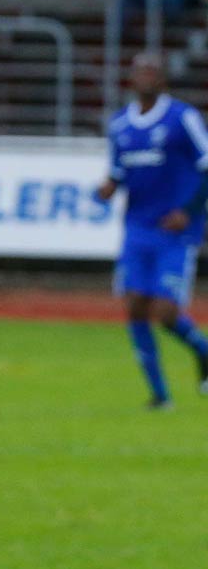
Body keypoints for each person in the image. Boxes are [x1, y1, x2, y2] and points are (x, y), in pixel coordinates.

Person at [95, 52, 208, 410]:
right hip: (137, 227)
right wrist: (109, 187)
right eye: (139, 70)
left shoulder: (182, 119)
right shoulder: (119, 125)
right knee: (134, 306)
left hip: (174, 229)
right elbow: (119, 172)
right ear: (131, 79)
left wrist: (188, 211)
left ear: (163, 79)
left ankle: (204, 353)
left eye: (152, 71)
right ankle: (160, 396)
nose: (145, 76)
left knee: (166, 311)